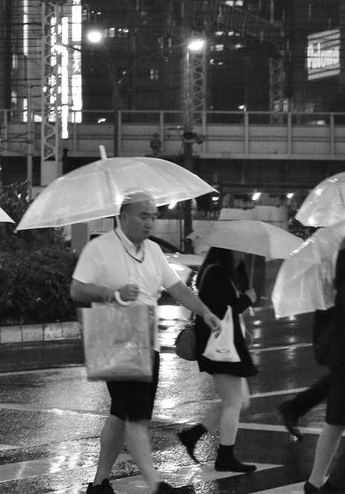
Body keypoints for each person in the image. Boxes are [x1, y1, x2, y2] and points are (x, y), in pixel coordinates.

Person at [70, 191, 222, 494]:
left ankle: (99, 484)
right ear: (124, 216)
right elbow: (77, 289)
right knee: (136, 417)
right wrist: (111, 294)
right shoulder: (100, 248)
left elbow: (177, 288)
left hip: (147, 340)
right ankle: (157, 487)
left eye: (153, 216)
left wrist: (204, 312)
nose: (150, 222)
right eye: (144, 216)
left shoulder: (152, 250)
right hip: (113, 339)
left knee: (120, 414)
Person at [176, 246, 257, 473]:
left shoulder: (222, 272)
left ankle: (193, 435)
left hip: (226, 347)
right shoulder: (215, 273)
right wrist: (247, 299)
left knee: (240, 401)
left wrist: (243, 286)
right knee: (234, 403)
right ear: (227, 250)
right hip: (220, 348)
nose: (243, 254)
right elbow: (222, 311)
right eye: (239, 250)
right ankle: (225, 456)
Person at [304, 244, 345, 494]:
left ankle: (315, 481)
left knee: (335, 422)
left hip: (339, 361)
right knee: (335, 422)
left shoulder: (331, 270)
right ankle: (330, 486)